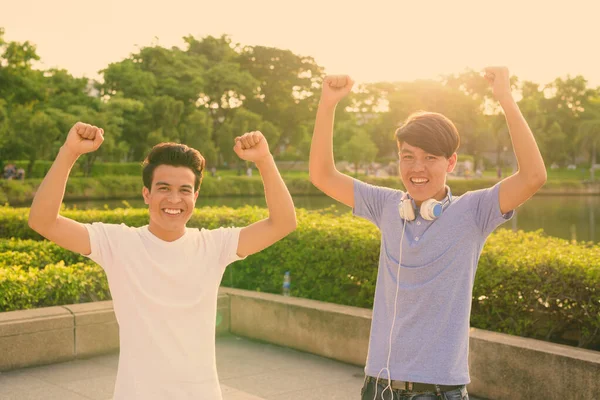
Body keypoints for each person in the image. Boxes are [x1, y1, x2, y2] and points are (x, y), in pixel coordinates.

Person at [309, 67, 546, 400]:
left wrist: (505, 98)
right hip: (379, 386)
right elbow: (321, 174)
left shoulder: (474, 212)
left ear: (451, 163)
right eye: (408, 157)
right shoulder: (386, 205)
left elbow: (533, 176)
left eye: (429, 158)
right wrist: (328, 103)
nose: (417, 168)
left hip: (439, 391)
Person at [28, 123, 297, 400]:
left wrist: (264, 160)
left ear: (195, 197)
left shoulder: (215, 245)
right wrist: (69, 151)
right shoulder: (117, 243)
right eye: (164, 188)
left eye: (184, 190)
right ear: (147, 194)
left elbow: (283, 223)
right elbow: (42, 221)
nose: (174, 199)